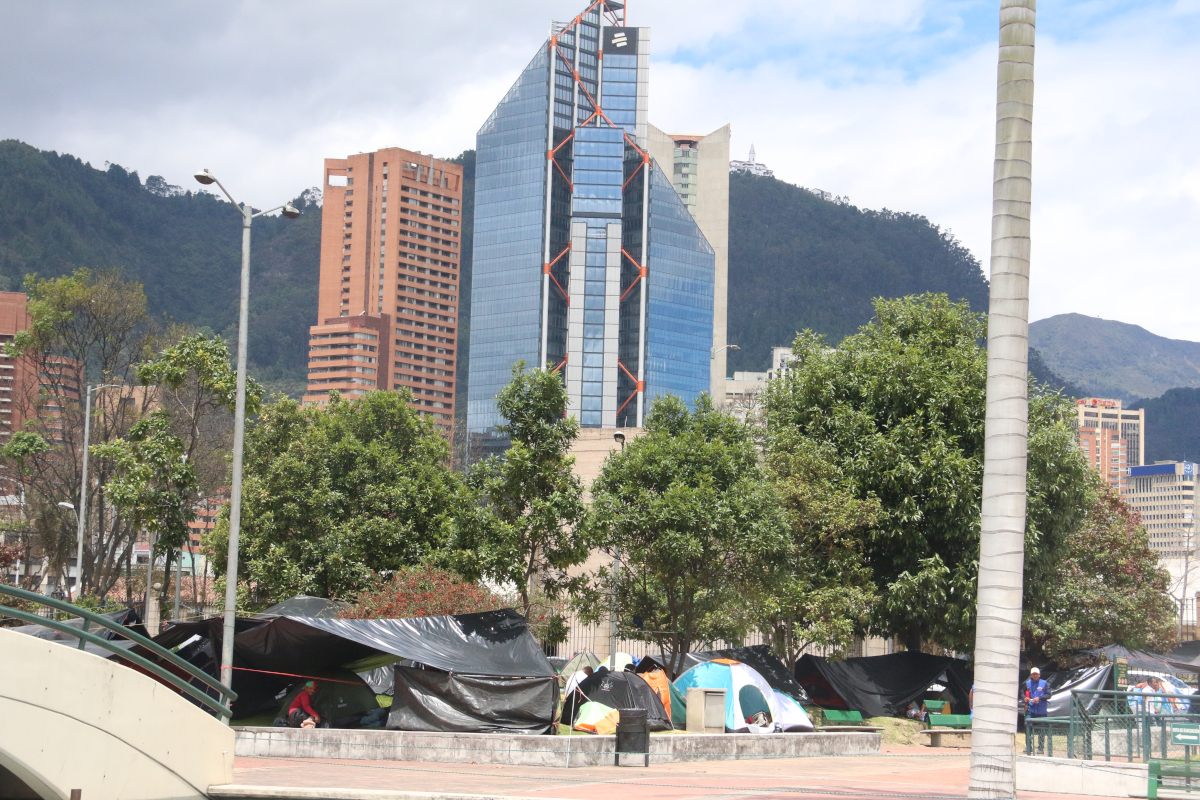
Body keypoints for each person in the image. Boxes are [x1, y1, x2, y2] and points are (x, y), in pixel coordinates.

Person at [1024, 668, 1049, 754]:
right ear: (1031, 675)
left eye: (1036, 674)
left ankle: (1041, 748)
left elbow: (1049, 694)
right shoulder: (1027, 684)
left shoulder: (1044, 683)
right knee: (1028, 727)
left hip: (1041, 710)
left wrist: (1039, 698)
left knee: (1042, 730)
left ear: (1039, 675)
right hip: (1030, 709)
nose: (1035, 675)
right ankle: (1028, 747)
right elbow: (1021, 693)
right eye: (1033, 674)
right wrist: (1025, 698)